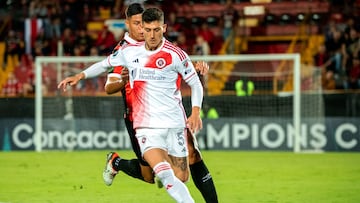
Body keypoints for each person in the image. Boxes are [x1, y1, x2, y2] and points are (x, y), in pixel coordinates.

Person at [58, 3, 218, 203]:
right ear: (139, 27)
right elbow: (104, 66)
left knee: (180, 176)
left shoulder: (175, 54)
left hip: (174, 123)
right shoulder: (128, 52)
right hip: (144, 125)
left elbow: (194, 83)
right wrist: (80, 75)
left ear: (164, 28)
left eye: (156, 30)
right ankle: (163, 173)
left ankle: (126, 164)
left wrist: (195, 112)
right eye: (146, 29)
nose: (151, 34)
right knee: (165, 174)